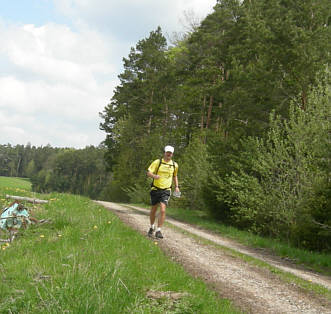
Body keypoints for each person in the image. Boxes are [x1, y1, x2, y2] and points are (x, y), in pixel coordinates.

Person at [146, 145, 180, 239]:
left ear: (172, 154)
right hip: (155, 189)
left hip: (166, 189)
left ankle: (159, 230)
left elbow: (175, 176)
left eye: (170, 153)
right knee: (153, 209)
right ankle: (152, 227)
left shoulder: (174, 165)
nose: (169, 154)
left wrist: (177, 186)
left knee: (163, 209)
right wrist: (154, 176)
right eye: (167, 152)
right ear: (164, 152)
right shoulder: (158, 162)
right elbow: (148, 172)